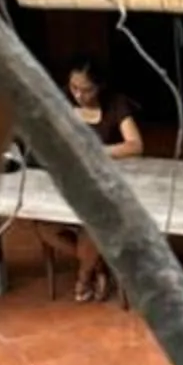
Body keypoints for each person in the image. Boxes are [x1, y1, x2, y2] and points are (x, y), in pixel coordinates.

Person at [64, 59, 142, 301]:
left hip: (104, 185)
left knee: (94, 222)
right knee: (42, 226)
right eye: (73, 88)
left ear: (100, 87)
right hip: (68, 183)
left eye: (86, 89)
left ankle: (83, 277)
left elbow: (135, 145)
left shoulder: (115, 105)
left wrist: (98, 152)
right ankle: (99, 265)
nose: (79, 95)